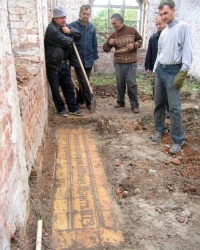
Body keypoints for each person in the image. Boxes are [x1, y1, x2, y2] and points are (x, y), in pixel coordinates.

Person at [152, 0, 193, 154]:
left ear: (173, 10)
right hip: (161, 70)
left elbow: (188, 50)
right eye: (161, 14)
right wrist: (156, 69)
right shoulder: (164, 31)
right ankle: (160, 129)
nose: (163, 17)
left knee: (174, 107)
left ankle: (178, 139)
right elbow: (160, 53)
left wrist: (183, 71)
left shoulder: (183, 27)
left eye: (166, 13)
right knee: (158, 103)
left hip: (174, 70)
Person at [44, 6, 84, 116]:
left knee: (68, 87)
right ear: (55, 18)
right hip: (53, 65)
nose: (64, 20)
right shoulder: (51, 30)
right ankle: (61, 109)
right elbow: (66, 42)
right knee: (55, 89)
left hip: (64, 63)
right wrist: (70, 34)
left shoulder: (64, 26)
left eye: (65, 17)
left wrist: (70, 30)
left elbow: (79, 35)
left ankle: (73, 108)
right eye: (62, 18)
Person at [103, 13, 142, 114]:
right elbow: (106, 49)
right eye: (112, 24)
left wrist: (134, 45)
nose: (113, 25)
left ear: (120, 21)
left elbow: (140, 40)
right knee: (120, 83)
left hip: (131, 62)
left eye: (114, 23)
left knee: (131, 83)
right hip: (119, 63)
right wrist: (109, 43)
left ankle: (134, 105)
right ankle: (120, 101)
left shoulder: (132, 30)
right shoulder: (113, 34)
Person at [69, 4, 99, 110]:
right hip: (78, 59)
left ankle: (79, 101)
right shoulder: (72, 26)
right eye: (84, 13)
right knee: (84, 81)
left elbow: (94, 43)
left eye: (88, 14)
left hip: (89, 58)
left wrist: (96, 58)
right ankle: (89, 102)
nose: (86, 16)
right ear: (80, 13)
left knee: (84, 81)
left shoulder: (91, 27)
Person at [144, 15, 170, 118]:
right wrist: (147, 66)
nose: (158, 26)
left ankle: (169, 110)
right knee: (157, 90)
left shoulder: (170, 37)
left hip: (168, 69)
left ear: (165, 22)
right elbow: (149, 53)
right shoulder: (153, 38)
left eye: (160, 24)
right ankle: (159, 110)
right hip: (156, 68)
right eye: (156, 25)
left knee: (169, 90)